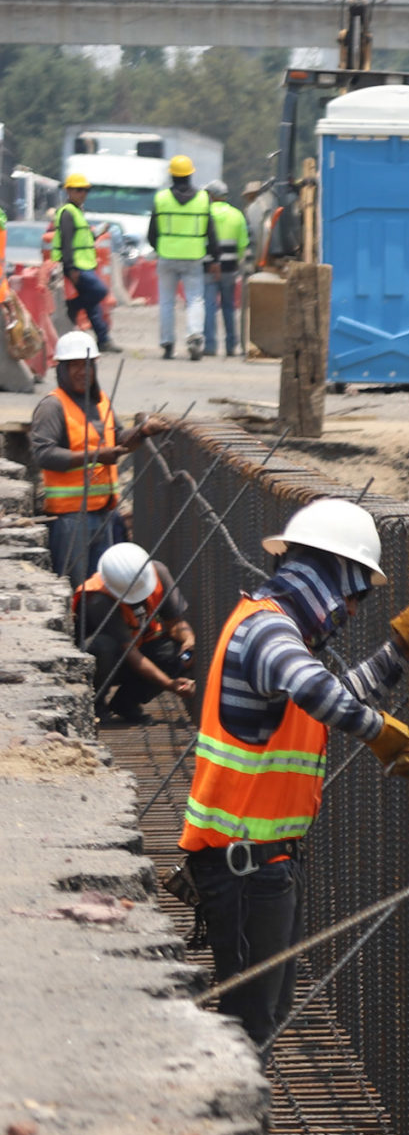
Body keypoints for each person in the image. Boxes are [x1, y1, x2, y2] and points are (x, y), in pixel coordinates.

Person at [178, 499, 409, 1049]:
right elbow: (317, 691)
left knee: (260, 1022)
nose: (348, 609)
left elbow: (324, 696)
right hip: (245, 871)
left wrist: (398, 650)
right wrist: (381, 733)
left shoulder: (275, 631)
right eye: (350, 592)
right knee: (249, 1032)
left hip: (260, 867)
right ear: (326, 575)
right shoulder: (267, 631)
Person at [31, 330, 163, 583]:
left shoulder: (101, 401)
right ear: (62, 369)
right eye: (75, 366)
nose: (83, 372)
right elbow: (43, 454)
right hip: (71, 519)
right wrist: (96, 456)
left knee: (102, 588)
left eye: (88, 366)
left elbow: (117, 439)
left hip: (104, 513)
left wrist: (143, 432)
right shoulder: (52, 407)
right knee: (74, 588)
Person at [73, 540, 196, 723]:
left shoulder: (158, 573)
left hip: (136, 650)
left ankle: (125, 703)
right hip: (105, 663)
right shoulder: (97, 597)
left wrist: (188, 640)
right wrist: (170, 685)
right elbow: (131, 654)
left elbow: (176, 624)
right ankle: (95, 704)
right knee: (103, 646)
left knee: (173, 650)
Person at [150, 154, 215, 360]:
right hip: (194, 256)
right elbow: (211, 232)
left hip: (167, 255)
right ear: (190, 175)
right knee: (195, 299)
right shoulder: (203, 198)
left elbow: (152, 233)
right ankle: (195, 336)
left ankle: (167, 343)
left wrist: (160, 247)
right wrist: (214, 256)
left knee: (167, 301)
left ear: (172, 176)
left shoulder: (161, 198)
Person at [47, 173, 117, 352]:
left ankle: (103, 340)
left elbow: (83, 238)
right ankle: (74, 307)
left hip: (85, 264)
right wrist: (70, 268)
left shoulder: (78, 212)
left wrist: (98, 232)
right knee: (99, 291)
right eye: (78, 190)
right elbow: (67, 242)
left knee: (93, 306)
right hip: (76, 266)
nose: (83, 194)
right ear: (68, 191)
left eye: (85, 190)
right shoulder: (67, 213)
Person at [204, 180, 250, 357]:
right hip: (230, 268)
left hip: (209, 266)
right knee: (229, 307)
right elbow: (243, 244)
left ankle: (209, 345)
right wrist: (236, 261)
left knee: (209, 305)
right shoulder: (236, 215)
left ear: (211, 196)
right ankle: (231, 346)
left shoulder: (206, 213)